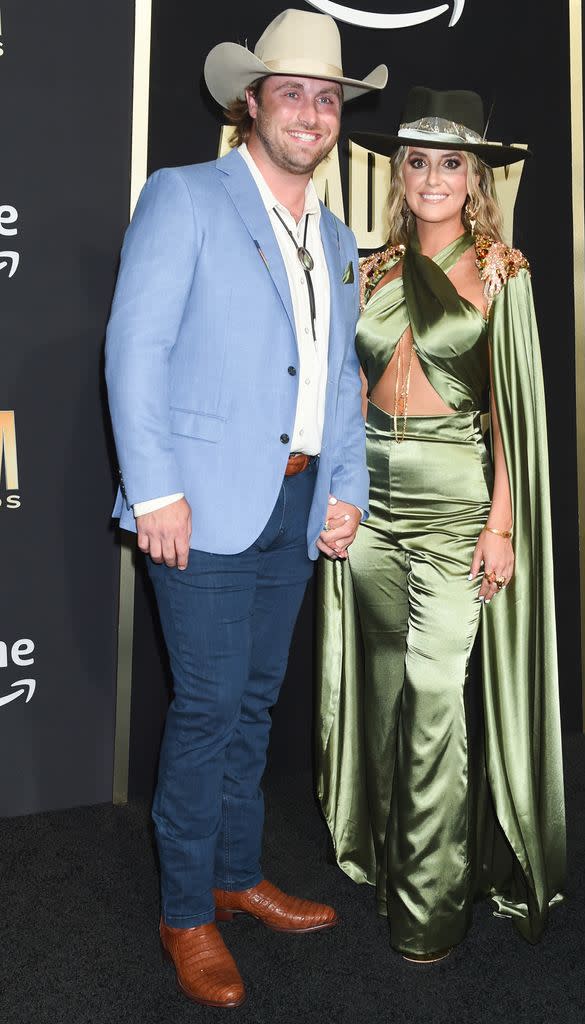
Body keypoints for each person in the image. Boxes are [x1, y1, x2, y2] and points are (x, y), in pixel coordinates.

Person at [105, 8, 387, 1008]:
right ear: (250, 103)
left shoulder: (339, 234)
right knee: (210, 707)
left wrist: (344, 486)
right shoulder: (183, 198)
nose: (311, 111)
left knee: (257, 702)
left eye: (327, 98)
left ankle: (234, 873)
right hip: (201, 503)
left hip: (300, 501)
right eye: (293, 93)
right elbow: (134, 351)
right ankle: (187, 910)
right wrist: (157, 490)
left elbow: (339, 378)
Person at [316, 87, 566, 963]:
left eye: (450, 161)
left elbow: (513, 419)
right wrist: (337, 494)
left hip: (458, 504)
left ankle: (429, 912)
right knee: (386, 693)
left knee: (432, 700)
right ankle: (394, 863)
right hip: (372, 509)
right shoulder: (374, 268)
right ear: (399, 172)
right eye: (416, 159)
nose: (431, 176)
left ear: (476, 178)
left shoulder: (506, 273)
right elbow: (345, 391)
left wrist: (501, 526)